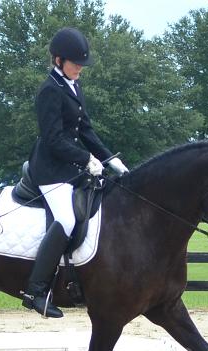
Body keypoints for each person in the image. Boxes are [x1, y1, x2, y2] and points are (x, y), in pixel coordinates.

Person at [21, 27, 129, 318]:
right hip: (49, 169)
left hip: (70, 166)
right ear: (58, 60)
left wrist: (110, 160)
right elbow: (54, 139)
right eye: (75, 63)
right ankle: (36, 291)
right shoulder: (49, 91)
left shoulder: (73, 85)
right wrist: (86, 159)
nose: (80, 68)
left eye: (81, 64)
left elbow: (85, 130)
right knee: (66, 219)